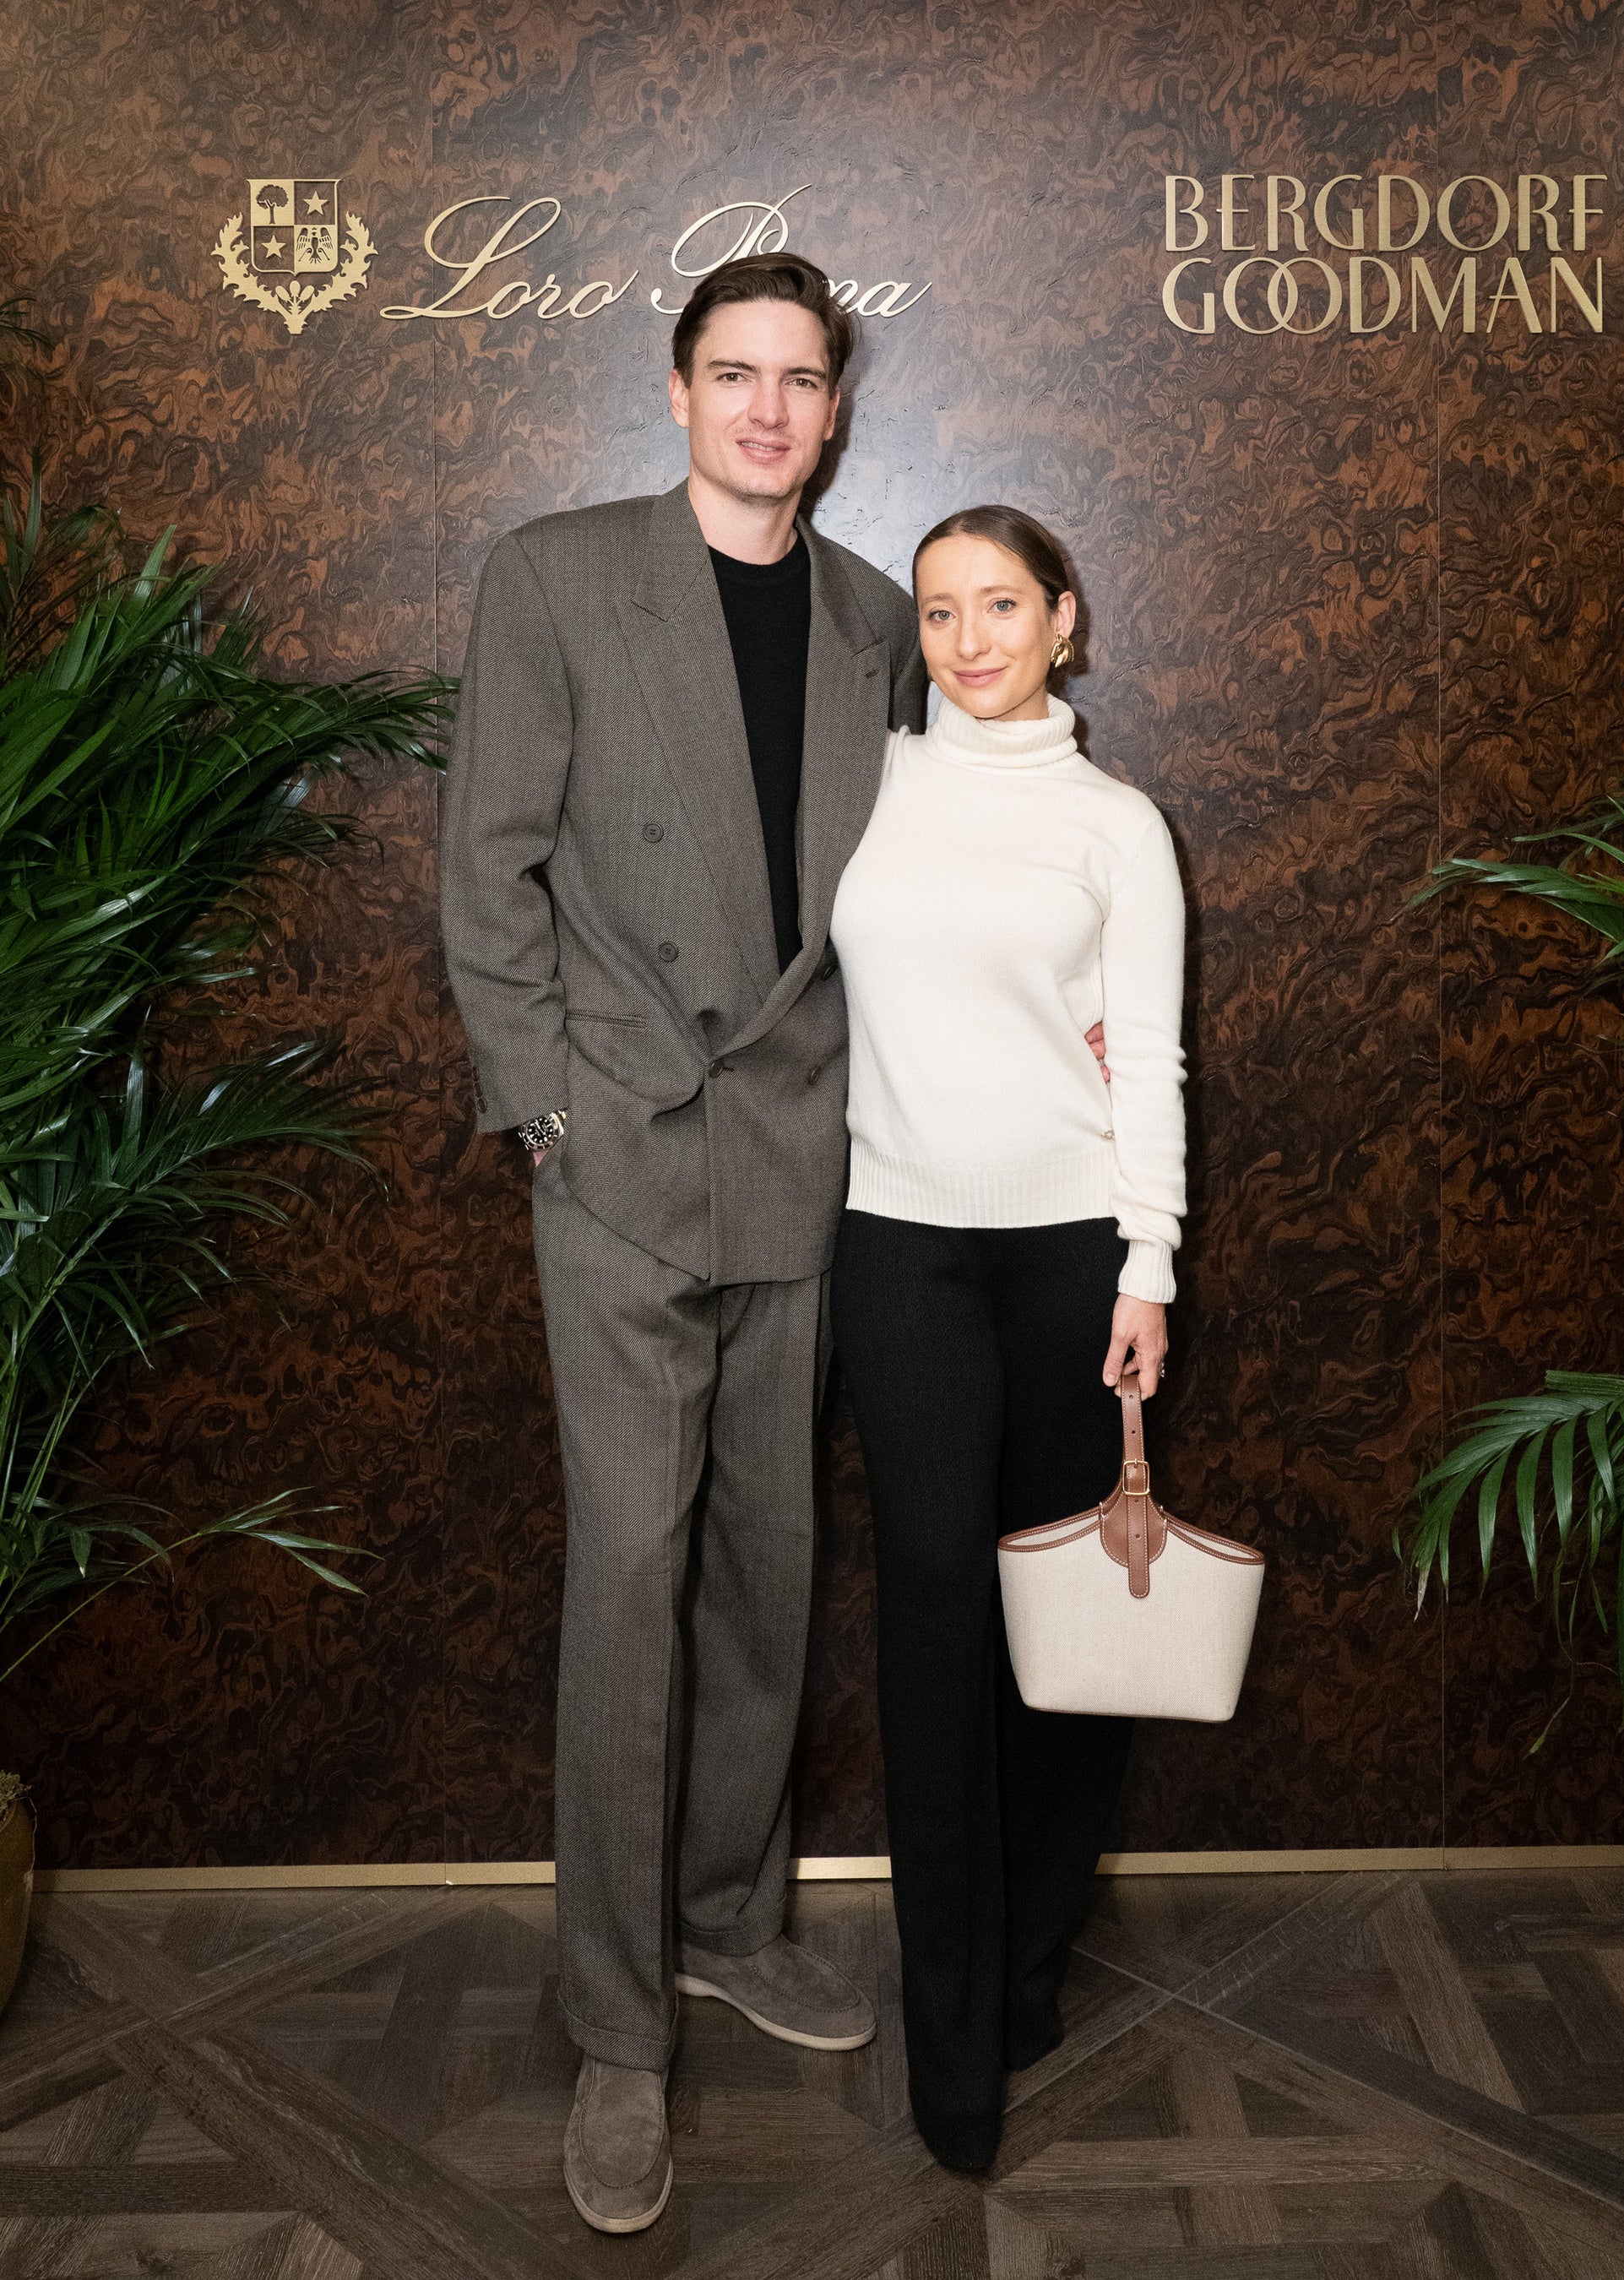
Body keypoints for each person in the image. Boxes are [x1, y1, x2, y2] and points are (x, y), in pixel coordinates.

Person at [439, 251, 927, 2235]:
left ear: (835, 409)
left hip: (803, 1152)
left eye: (801, 378)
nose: (768, 409)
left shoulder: (877, 617)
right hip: (626, 1154)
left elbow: (903, 899)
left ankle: (729, 1918)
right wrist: (547, 1109)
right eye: (736, 373)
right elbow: (490, 870)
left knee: (767, 1568)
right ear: (677, 389)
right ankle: (620, 2025)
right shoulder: (557, 578)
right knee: (632, 1577)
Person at [828, 506, 1188, 2173]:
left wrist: (1147, 1266)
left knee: (1062, 1633)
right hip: (897, 1247)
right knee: (933, 1623)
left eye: (1000, 605)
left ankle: (1030, 1956)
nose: (969, 640)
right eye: (939, 612)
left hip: (1070, 1263)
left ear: (1064, 618)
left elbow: (1148, 1061)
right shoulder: (874, 784)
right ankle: (952, 2022)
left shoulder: (1117, 826)